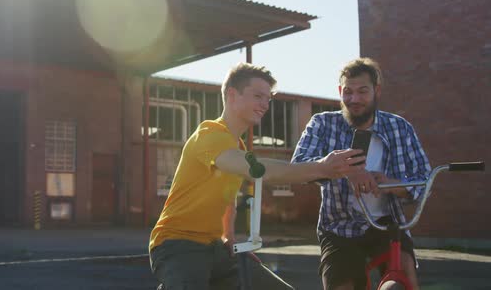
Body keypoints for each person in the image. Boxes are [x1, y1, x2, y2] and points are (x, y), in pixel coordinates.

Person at [149, 62, 365, 289]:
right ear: (232, 95)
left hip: (214, 249)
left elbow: (228, 198)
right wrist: (322, 167)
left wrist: (229, 240)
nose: (265, 104)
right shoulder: (209, 133)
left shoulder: (238, 146)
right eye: (258, 96)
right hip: (178, 244)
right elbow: (259, 171)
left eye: (268, 99)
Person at [292, 58, 431, 290]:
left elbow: (423, 180)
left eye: (362, 91)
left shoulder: (399, 127)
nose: (354, 99)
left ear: (377, 90)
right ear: (339, 92)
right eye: (348, 92)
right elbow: (298, 167)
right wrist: (346, 171)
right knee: (342, 285)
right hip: (339, 225)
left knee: (405, 274)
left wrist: (391, 184)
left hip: (388, 224)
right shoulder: (322, 124)